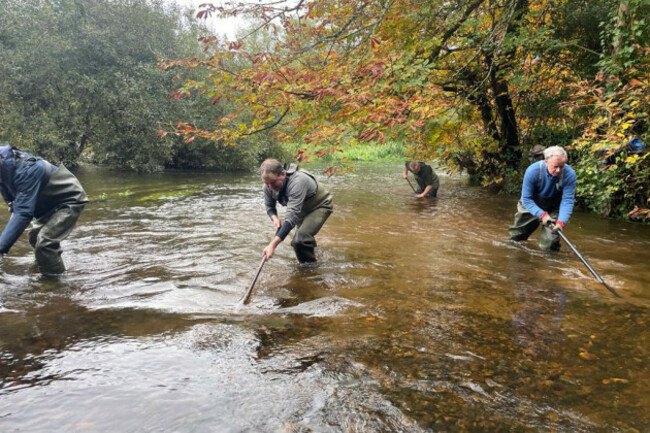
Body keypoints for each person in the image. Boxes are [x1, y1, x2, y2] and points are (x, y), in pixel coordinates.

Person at [0, 144, 88, 274]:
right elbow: (15, 206)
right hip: (46, 205)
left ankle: (55, 284)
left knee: (45, 243)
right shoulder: (4, 173)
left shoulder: (26, 170)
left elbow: (23, 213)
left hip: (69, 200)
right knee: (34, 237)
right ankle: (43, 267)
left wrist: (1, 249)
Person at [260, 159, 333, 263]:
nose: (270, 187)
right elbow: (269, 206)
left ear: (282, 174)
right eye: (266, 183)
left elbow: (291, 218)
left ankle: (310, 270)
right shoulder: (268, 186)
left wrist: (272, 245)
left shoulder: (298, 181)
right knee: (303, 239)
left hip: (320, 206)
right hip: (301, 210)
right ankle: (315, 255)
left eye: (273, 182)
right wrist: (275, 218)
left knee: (299, 241)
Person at [508, 146, 576, 251]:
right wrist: (542, 215)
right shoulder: (532, 171)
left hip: (553, 208)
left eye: (562, 166)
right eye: (555, 166)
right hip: (530, 204)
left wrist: (561, 222)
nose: (558, 170)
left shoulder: (570, 174)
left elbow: (567, 201)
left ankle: (548, 265)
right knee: (517, 237)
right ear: (546, 162)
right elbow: (526, 199)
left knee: (550, 243)